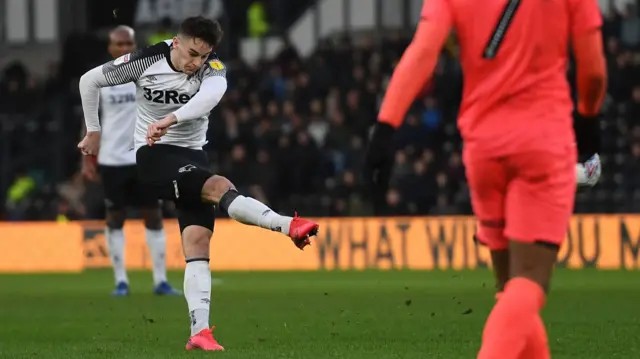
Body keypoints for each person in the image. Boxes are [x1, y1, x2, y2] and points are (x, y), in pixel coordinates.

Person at [363, 0, 606, 358]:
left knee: (510, 290)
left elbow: (423, 51)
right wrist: (588, 117)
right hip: (543, 142)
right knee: (530, 283)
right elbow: (594, 69)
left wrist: (385, 127)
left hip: (483, 147)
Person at [77, 17, 319, 351]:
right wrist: (93, 130)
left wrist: (171, 118)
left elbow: (211, 96)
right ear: (177, 42)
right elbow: (89, 81)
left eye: (203, 56)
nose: (197, 63)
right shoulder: (145, 60)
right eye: (192, 53)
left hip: (192, 155)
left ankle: (200, 332)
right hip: (154, 155)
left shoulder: (212, 68)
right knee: (220, 186)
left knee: (198, 244)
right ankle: (288, 225)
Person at [81, 25, 181, 297]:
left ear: (135, 45)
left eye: (129, 44)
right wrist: (87, 157)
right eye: (119, 45)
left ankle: (160, 280)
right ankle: (121, 281)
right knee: (115, 216)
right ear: (110, 48)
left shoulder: (147, 72)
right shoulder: (100, 79)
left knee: (153, 213)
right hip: (112, 158)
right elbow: (90, 121)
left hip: (143, 155)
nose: (124, 49)